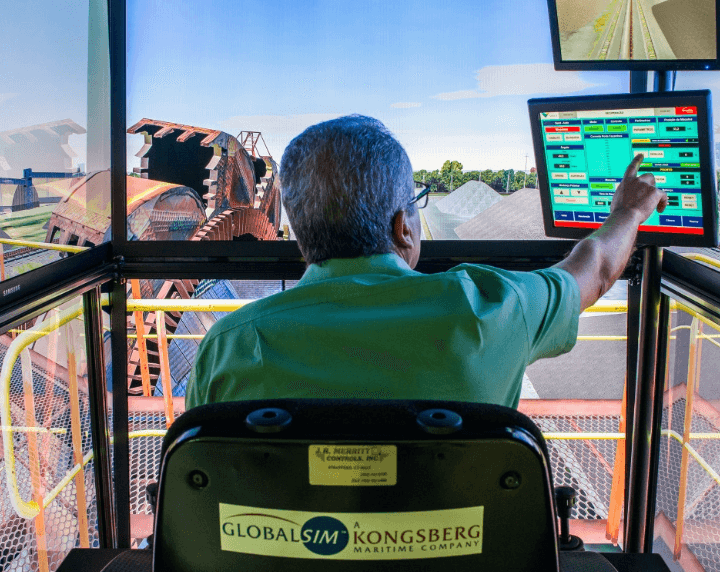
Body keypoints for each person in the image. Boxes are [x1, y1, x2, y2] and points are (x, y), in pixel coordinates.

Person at [185, 115, 667, 410]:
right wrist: (628, 211)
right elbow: (599, 267)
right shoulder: (490, 309)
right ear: (403, 227)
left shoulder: (227, 347)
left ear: (302, 236)